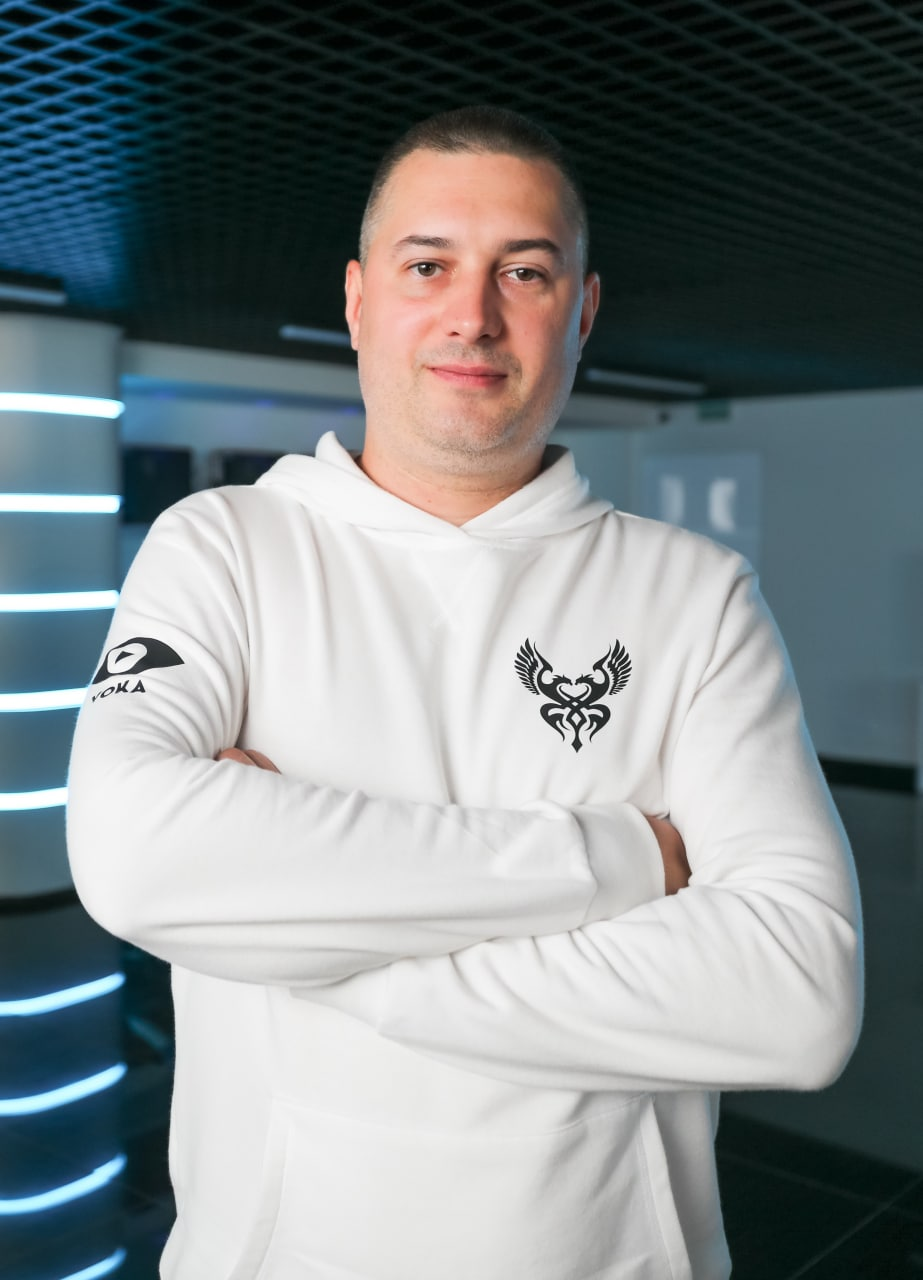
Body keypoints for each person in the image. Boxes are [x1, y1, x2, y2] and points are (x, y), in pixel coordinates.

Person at [67, 106, 863, 1280]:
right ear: (356, 300)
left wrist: (299, 931)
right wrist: (616, 858)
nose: (472, 314)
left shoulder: (693, 593)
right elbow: (132, 852)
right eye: (427, 264)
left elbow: (795, 995)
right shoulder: (222, 546)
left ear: (580, 312)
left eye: (524, 271)